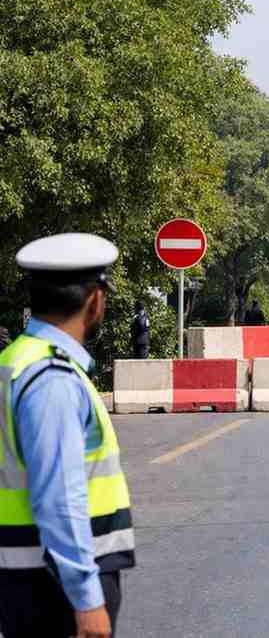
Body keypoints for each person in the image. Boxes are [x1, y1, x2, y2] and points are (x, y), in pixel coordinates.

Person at [0, 233, 135, 638]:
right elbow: (58, 497)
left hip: (25, 577)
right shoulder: (51, 378)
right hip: (53, 587)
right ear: (95, 300)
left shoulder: (14, 362)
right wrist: (86, 598)